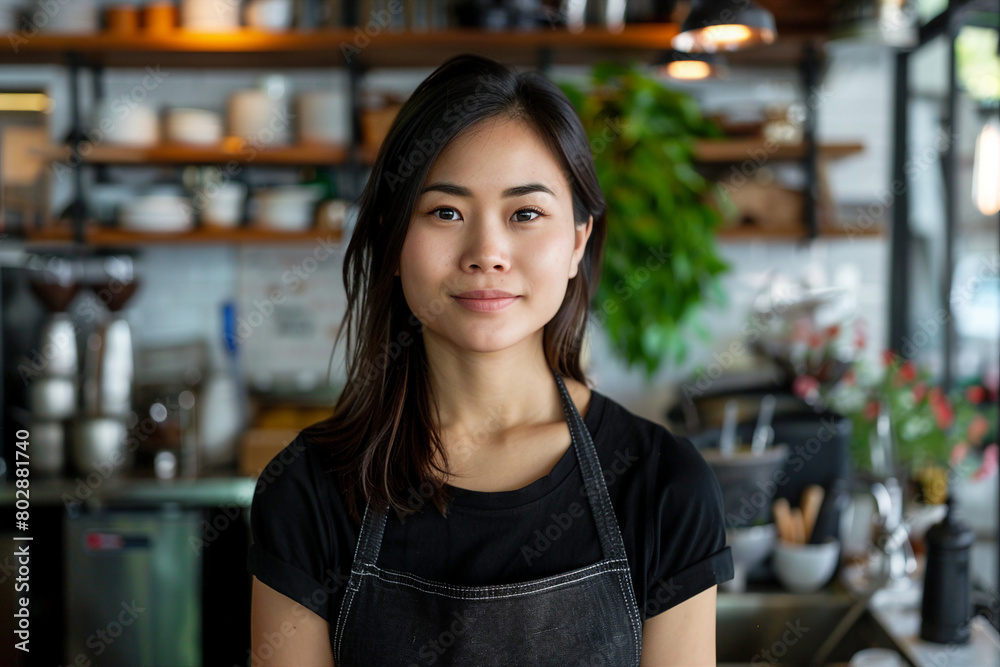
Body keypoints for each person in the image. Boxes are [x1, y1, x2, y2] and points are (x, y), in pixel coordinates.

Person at [248, 53, 733, 666]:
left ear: (577, 241)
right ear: (392, 240)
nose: (487, 252)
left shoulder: (664, 485)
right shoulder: (305, 490)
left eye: (525, 213)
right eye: (445, 212)